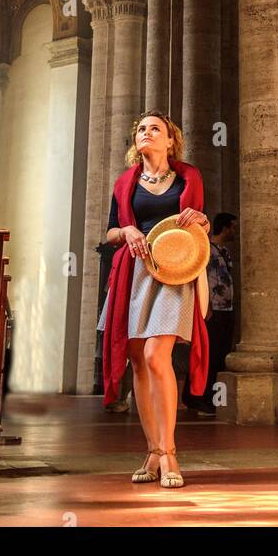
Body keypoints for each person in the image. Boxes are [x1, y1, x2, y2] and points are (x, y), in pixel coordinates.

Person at [97, 109, 210, 488]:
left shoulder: (189, 177)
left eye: (155, 129)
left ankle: (171, 451)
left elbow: (201, 225)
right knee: (137, 363)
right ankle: (152, 449)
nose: (146, 133)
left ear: (170, 140)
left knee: (155, 355)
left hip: (175, 272)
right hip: (134, 271)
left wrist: (202, 219)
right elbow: (111, 231)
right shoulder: (125, 182)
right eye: (141, 129)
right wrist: (127, 229)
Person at [183, 212, 237, 416]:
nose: (234, 232)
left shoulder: (224, 251)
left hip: (226, 309)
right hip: (212, 311)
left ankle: (204, 398)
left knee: (218, 357)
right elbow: (201, 278)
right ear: (224, 228)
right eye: (233, 227)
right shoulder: (207, 249)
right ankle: (197, 399)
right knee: (207, 355)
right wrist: (206, 308)